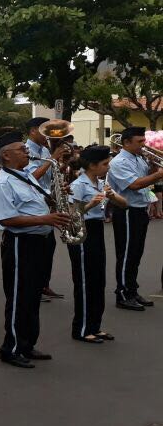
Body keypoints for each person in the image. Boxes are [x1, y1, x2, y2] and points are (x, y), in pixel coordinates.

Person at [0, 132, 74, 368]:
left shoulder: (25, 176)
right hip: (20, 244)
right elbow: (6, 219)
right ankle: (12, 348)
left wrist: (56, 197)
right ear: (6, 156)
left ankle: (27, 344)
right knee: (19, 298)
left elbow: (35, 205)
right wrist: (46, 219)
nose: (27, 151)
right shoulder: (3, 183)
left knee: (33, 296)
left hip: (38, 242)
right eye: (21, 149)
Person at [68, 145, 127, 343]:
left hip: (97, 230)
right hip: (82, 231)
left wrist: (112, 196)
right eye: (105, 164)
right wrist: (91, 204)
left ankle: (95, 325)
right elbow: (72, 215)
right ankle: (82, 329)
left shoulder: (101, 183)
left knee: (98, 279)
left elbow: (124, 204)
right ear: (92, 165)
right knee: (85, 281)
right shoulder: (78, 185)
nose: (108, 167)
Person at [108, 126, 163, 310]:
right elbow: (134, 185)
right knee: (126, 254)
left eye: (144, 141)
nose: (144, 145)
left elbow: (146, 178)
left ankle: (132, 290)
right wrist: (159, 174)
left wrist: (154, 168)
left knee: (136, 254)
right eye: (139, 142)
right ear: (126, 143)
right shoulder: (119, 162)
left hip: (140, 209)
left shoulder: (138, 158)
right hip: (127, 211)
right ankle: (123, 294)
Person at [24, 117, 70, 300]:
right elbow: (31, 177)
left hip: (46, 202)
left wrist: (61, 170)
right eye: (45, 131)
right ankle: (34, 287)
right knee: (35, 251)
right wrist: (52, 159)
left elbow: (48, 176)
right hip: (32, 205)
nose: (48, 135)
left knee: (48, 247)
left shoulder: (44, 150)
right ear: (33, 131)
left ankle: (44, 285)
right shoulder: (24, 151)